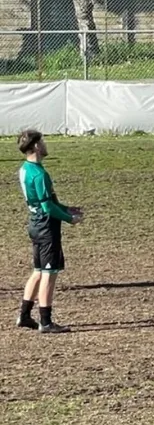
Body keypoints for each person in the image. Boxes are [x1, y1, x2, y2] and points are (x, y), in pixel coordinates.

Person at [16, 129, 83, 333]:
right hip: (46, 227)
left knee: (38, 271)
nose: (45, 145)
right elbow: (47, 207)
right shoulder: (40, 174)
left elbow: (46, 202)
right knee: (49, 273)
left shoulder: (26, 169)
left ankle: (24, 316)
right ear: (36, 146)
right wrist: (69, 218)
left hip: (35, 225)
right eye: (43, 142)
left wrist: (66, 208)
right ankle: (46, 322)